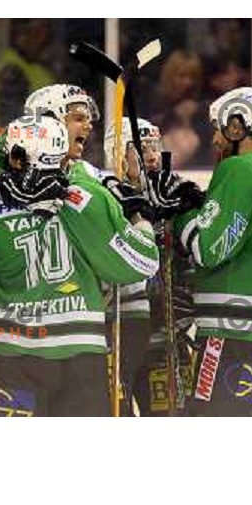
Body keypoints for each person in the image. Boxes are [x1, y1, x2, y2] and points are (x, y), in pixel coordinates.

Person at [0, 116, 160, 416]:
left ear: (15, 156)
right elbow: (142, 262)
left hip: (12, 354)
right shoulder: (90, 198)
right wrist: (140, 218)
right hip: (80, 358)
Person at [165, 86, 252, 416]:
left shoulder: (240, 169)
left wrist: (181, 213)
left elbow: (208, 248)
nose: (214, 139)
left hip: (238, 327)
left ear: (237, 126)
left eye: (218, 128)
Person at [104, 118, 198, 416]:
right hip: (117, 329)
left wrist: (188, 293)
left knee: (168, 418)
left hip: (164, 336)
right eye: (142, 149)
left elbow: (198, 254)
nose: (153, 155)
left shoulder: (174, 194)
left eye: (155, 147)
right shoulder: (102, 198)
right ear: (118, 154)